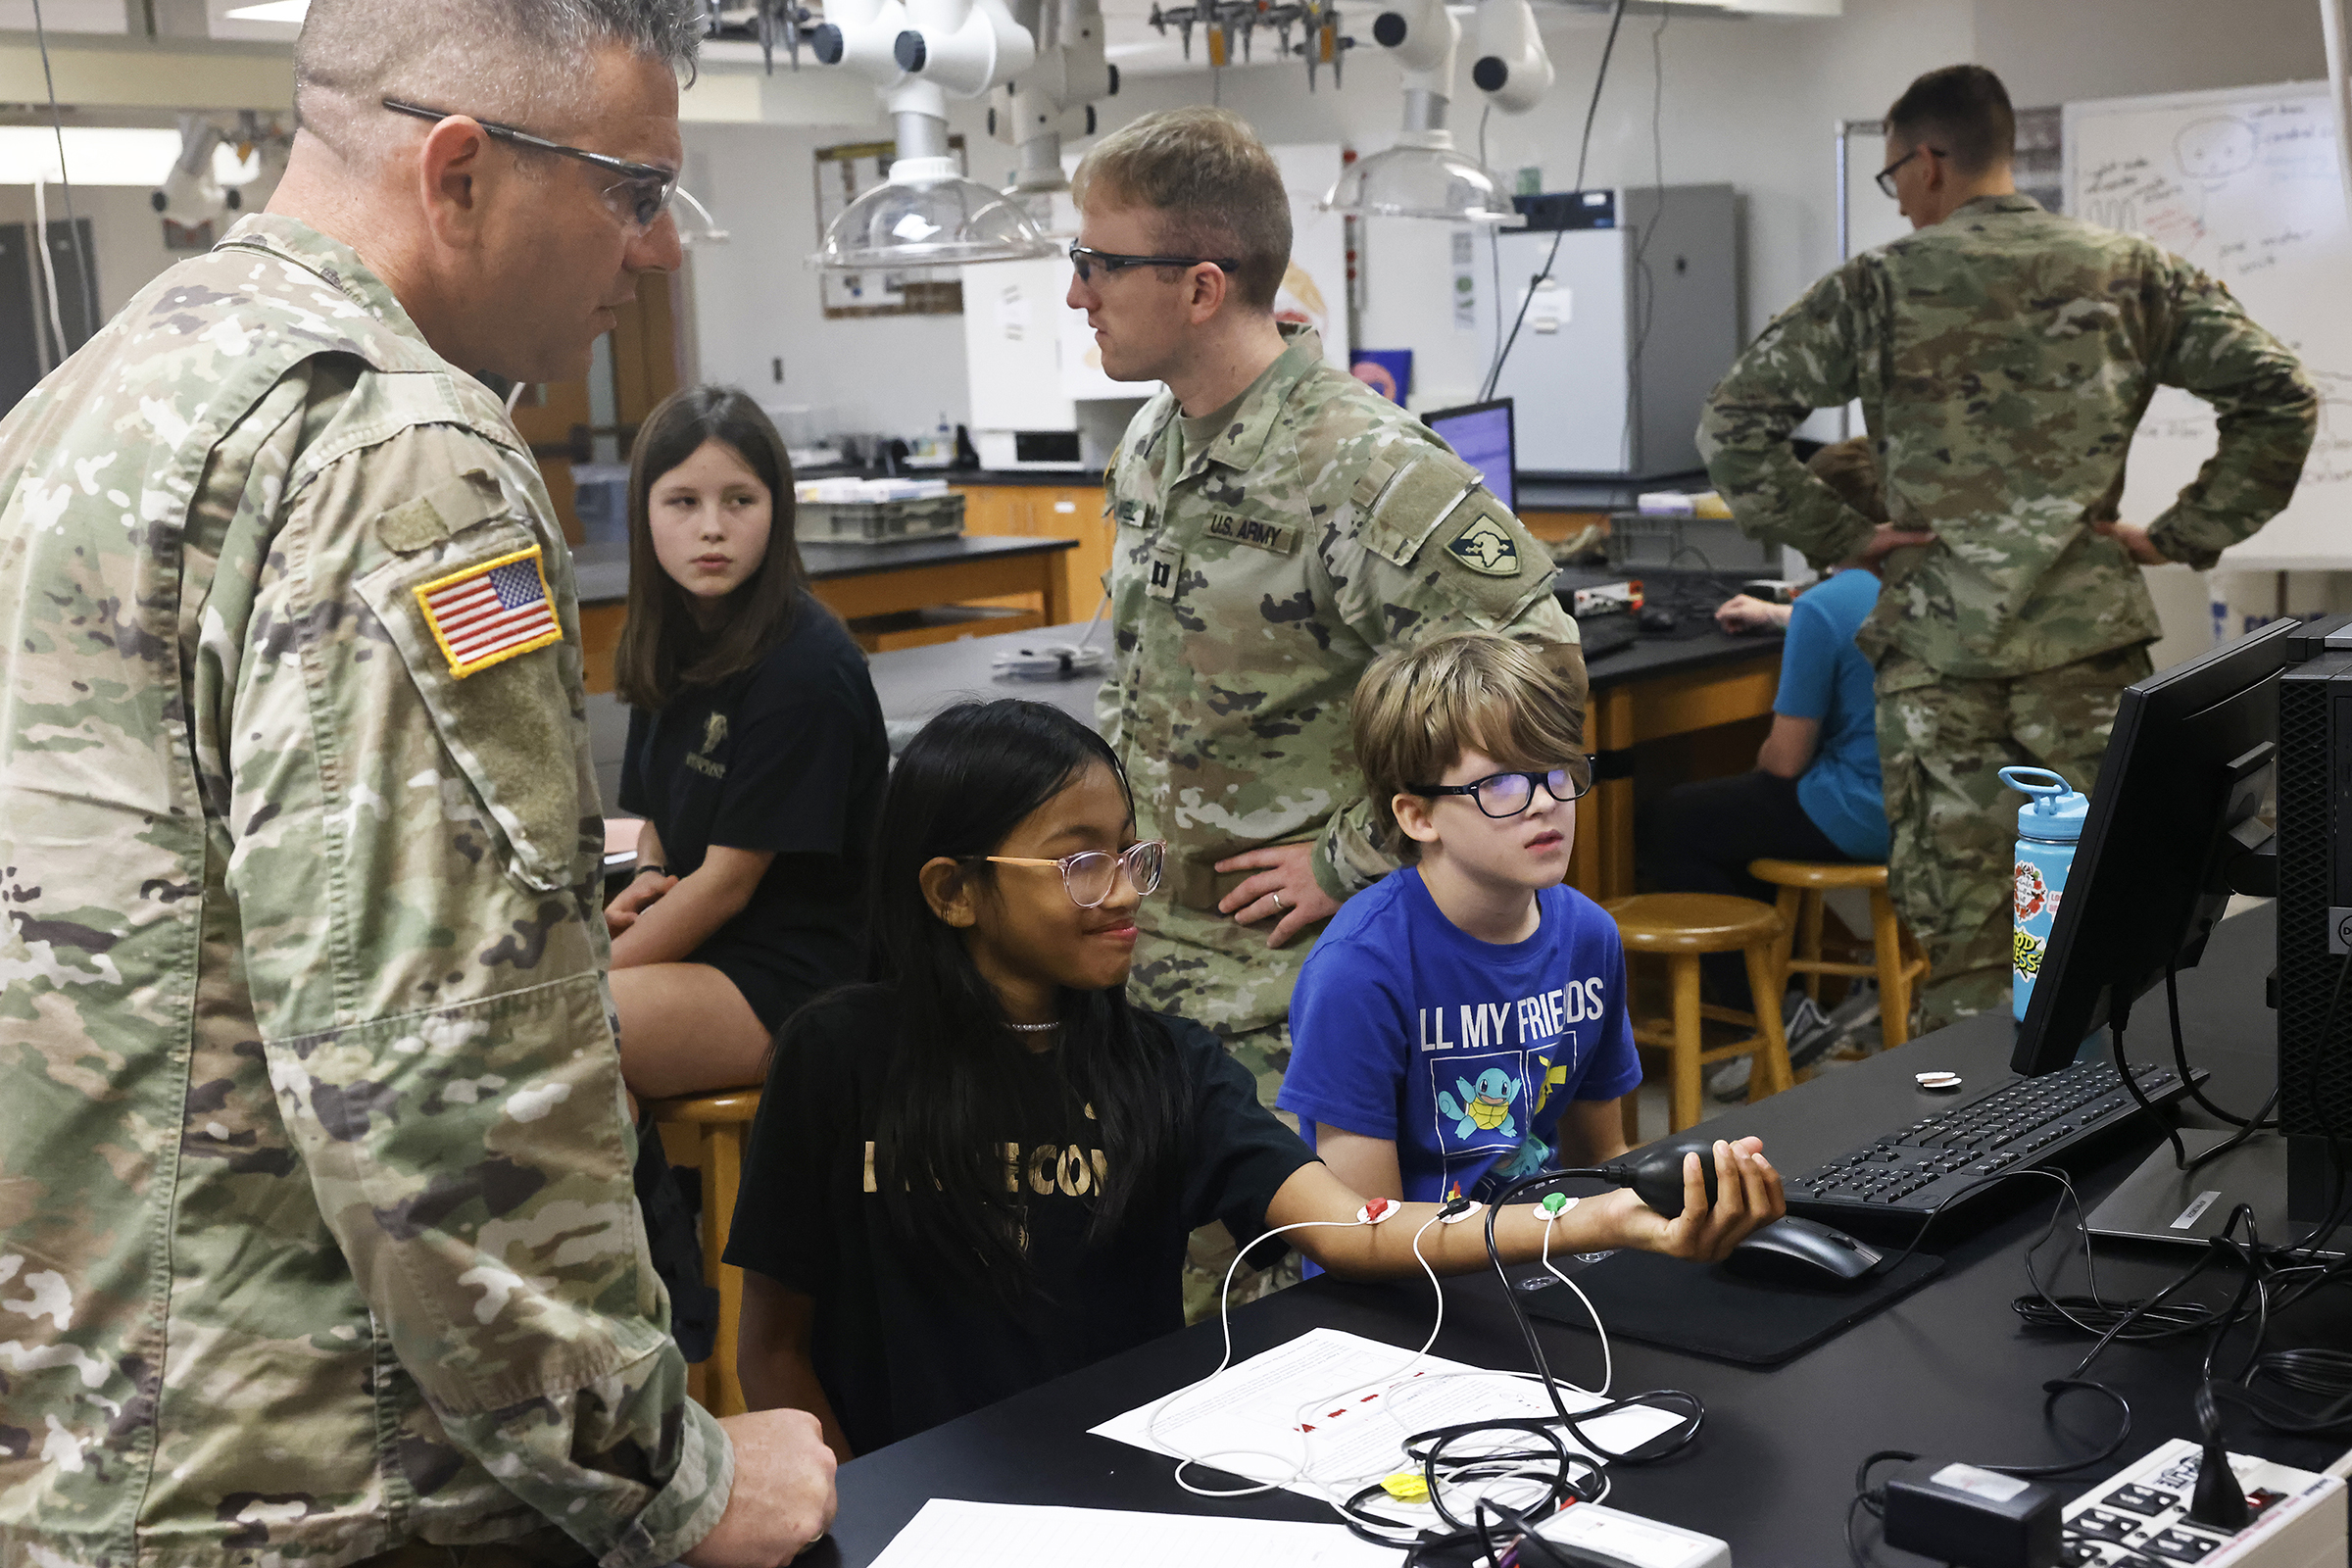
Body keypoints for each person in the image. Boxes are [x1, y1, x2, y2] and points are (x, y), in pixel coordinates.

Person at [0, 4, 836, 1563]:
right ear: (460, 173)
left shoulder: (89, 403)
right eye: (634, 194)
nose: (656, 257)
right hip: (332, 1467)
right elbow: (443, 1071)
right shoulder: (402, 451)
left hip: (99, 1432)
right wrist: (671, 1476)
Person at [725, 700, 1784, 1459]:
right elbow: (770, 1345)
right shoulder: (836, 1057)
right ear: (952, 891)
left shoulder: (1165, 1065)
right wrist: (847, 1504)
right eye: (1079, 861)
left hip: (1116, 1488)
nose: (1124, 891)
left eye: (1130, 856)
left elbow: (1359, 1226)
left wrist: (1601, 1221)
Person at [1071, 106, 1583, 1308]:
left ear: (1202, 286)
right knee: (1172, 1327)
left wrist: (1351, 855)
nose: (1078, 292)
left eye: (1100, 264)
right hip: (1151, 959)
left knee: (1299, 1324)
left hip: (1293, 979)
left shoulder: (1362, 465)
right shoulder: (1153, 443)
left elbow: (1545, 666)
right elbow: (1143, 669)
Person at [1696, 64, 2317, 1029]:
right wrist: (2182, 534)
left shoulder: (1878, 287)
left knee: (1972, 937)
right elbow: (2280, 393)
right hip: (2085, 646)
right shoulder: (2130, 270)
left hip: (1940, 659)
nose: (1898, 198)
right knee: (2111, 907)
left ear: (1931, 160)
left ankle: (1980, 1148)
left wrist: (1845, 535)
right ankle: (2120, 1141)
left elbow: (1734, 421)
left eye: (1895, 174)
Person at [1280, 634, 1642, 1236]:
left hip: (1542, 1250)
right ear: (1417, 816)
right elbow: (1370, 1233)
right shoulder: (1358, 971)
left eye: (1557, 770)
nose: (1545, 804)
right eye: (1500, 784)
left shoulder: (1588, 937)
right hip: (1407, 1291)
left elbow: (1600, 1164)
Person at [605, 387, 889, 1101]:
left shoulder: (807, 666)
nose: (712, 529)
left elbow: (727, 886)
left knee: (554, 1029)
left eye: (740, 501)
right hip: (705, 948)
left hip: (798, 981)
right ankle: (662, 1212)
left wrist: (591, 971)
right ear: (644, 513)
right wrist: (645, 877)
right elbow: (658, 824)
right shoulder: (670, 638)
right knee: (566, 1063)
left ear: (777, 510)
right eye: (682, 502)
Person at [1642, 439, 1889, 1023]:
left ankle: (1771, 1015)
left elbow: (1783, 762)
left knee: (1671, 822)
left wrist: (1799, 616)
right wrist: (1781, 614)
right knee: (1735, 818)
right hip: (1930, 807)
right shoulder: (1926, 584)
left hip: (1858, 812)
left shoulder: (1823, 609)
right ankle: (1808, 993)